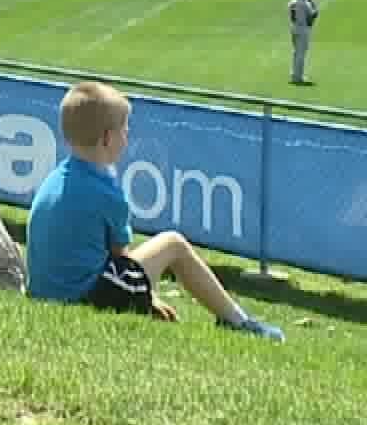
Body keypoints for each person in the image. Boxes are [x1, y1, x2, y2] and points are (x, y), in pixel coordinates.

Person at [25, 82, 284, 341]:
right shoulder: (107, 192)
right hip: (87, 297)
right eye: (125, 130)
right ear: (107, 138)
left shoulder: (54, 179)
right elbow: (122, 259)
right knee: (173, 243)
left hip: (44, 293)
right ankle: (237, 320)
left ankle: (235, 319)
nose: (127, 138)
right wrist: (147, 297)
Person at [288, 0, 319, 86]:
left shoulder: (292, 2)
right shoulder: (305, 4)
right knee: (301, 54)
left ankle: (294, 74)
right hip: (303, 29)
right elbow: (311, 18)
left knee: (296, 52)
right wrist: (313, 5)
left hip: (294, 28)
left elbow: (292, 17)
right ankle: (298, 78)